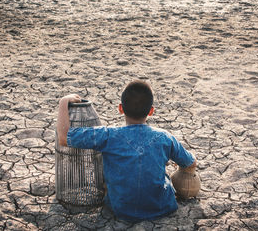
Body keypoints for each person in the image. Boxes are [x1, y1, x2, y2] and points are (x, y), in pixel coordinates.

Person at [56, 80, 197, 222]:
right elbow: (190, 163)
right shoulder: (164, 137)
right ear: (151, 111)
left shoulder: (108, 135)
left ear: (120, 108)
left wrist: (63, 102)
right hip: (163, 207)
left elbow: (64, 137)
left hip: (121, 209)